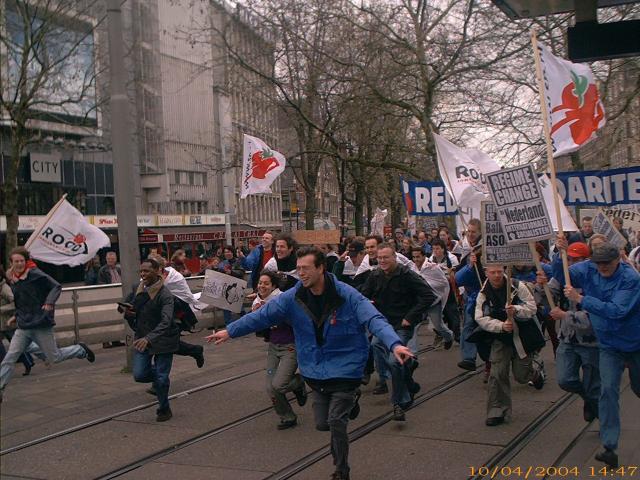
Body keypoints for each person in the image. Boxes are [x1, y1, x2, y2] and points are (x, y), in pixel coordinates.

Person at [207, 246, 414, 480]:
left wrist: (394, 343)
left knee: (336, 421)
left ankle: (341, 469)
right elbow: (261, 316)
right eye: (299, 269)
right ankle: (350, 405)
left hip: (347, 368)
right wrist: (230, 331)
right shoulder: (292, 298)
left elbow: (374, 319)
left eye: (306, 269)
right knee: (322, 424)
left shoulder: (347, 295)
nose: (301, 273)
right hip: (315, 370)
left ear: (320, 268)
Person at [552, 239, 640, 469]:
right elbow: (562, 275)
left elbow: (616, 311)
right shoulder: (588, 268)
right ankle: (609, 446)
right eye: (598, 262)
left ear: (617, 260)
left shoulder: (631, 279)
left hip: (635, 343)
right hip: (608, 345)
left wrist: (581, 299)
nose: (602, 267)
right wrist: (559, 253)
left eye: (607, 263)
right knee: (608, 390)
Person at [0, 247, 95, 401]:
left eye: (21, 261)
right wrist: (16, 316)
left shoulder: (35, 274)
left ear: (26, 261)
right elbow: (21, 300)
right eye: (16, 261)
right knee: (10, 357)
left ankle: (80, 349)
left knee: (54, 357)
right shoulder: (13, 278)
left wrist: (49, 302)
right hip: (24, 325)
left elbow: (56, 286)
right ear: (11, 263)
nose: (19, 264)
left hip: (40, 323)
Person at [360, 243, 437, 421]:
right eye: (379, 258)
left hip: (402, 325)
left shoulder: (407, 275)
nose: (382, 261)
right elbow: (363, 295)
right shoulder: (375, 275)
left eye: (386, 258)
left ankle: (400, 402)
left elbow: (428, 296)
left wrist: (410, 317)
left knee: (394, 361)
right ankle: (408, 372)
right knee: (376, 348)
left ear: (395, 257)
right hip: (382, 326)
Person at [537, 242, 600, 422]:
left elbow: (594, 315)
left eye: (576, 260)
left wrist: (565, 315)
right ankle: (588, 398)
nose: (571, 263)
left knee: (593, 385)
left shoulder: (595, 280)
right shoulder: (563, 277)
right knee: (565, 379)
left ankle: (606, 424)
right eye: (569, 259)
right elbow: (544, 298)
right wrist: (542, 286)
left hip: (591, 341)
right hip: (568, 339)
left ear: (586, 260)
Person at [474, 265, 544, 426]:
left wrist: (517, 310)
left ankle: (534, 373)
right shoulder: (483, 293)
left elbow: (532, 308)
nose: (497, 275)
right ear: (486, 273)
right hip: (501, 337)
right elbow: (480, 318)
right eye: (493, 272)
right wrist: (500, 326)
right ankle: (497, 410)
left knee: (521, 376)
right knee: (497, 373)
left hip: (523, 336)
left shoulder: (518, 286)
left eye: (500, 271)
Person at [121, 257, 179, 421]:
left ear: (157, 271)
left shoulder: (165, 295)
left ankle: (164, 408)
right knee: (139, 374)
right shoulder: (136, 289)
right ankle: (162, 378)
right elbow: (130, 309)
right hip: (142, 338)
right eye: (141, 271)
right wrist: (128, 314)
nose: (143, 274)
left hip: (163, 340)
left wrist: (150, 337)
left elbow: (166, 321)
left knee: (161, 377)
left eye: (146, 271)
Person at [253, 270, 307, 429]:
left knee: (279, 385)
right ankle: (287, 417)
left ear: (274, 286)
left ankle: (298, 383)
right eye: (260, 283)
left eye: (266, 283)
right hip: (273, 347)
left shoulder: (283, 300)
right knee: (271, 388)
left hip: (290, 346)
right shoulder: (258, 301)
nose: (262, 286)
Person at [454, 219, 484, 371]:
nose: (471, 235)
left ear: (480, 233)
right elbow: (458, 278)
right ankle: (468, 358)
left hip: (486, 295)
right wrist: (469, 266)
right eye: (469, 232)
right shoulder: (467, 252)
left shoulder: (485, 250)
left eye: (474, 232)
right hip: (471, 296)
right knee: (468, 326)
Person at [0, 265, 37, 376]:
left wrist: (1, 309)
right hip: (1, 322)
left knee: (17, 346)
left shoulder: (4, 288)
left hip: (8, 322)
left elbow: (15, 303)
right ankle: (4, 367)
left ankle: (28, 362)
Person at [217, 246, 246, 326]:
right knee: (226, 308)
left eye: (229, 252)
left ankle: (246, 321)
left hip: (236, 288)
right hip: (226, 288)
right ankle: (229, 325)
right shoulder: (222, 263)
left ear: (232, 252)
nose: (227, 254)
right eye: (225, 252)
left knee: (239, 308)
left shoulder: (238, 261)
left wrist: (231, 272)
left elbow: (241, 272)